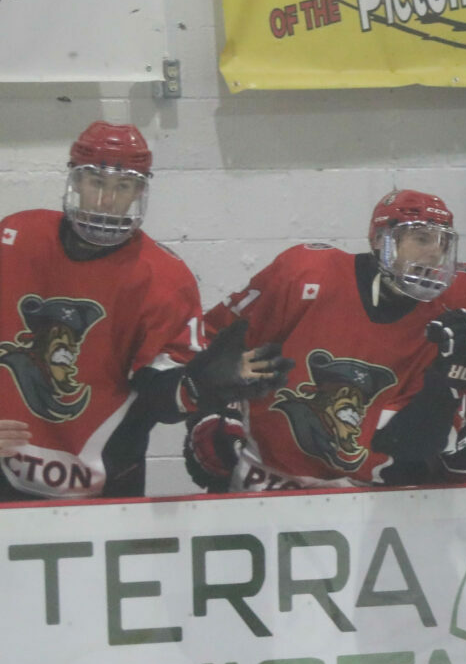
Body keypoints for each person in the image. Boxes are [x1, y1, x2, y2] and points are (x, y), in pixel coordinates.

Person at [0, 121, 289, 500]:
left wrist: (196, 384)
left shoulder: (165, 277)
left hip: (108, 481)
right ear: (75, 181)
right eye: (96, 182)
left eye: (122, 186)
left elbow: (156, 394)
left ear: (140, 191)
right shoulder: (14, 238)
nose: (106, 200)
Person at [184, 189, 466, 491]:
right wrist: (213, 412)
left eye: (442, 243)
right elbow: (216, 348)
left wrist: (447, 385)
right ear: (381, 239)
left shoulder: (446, 321)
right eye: (422, 238)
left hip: (359, 498)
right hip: (261, 477)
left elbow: (412, 440)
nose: (435, 252)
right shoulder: (307, 274)